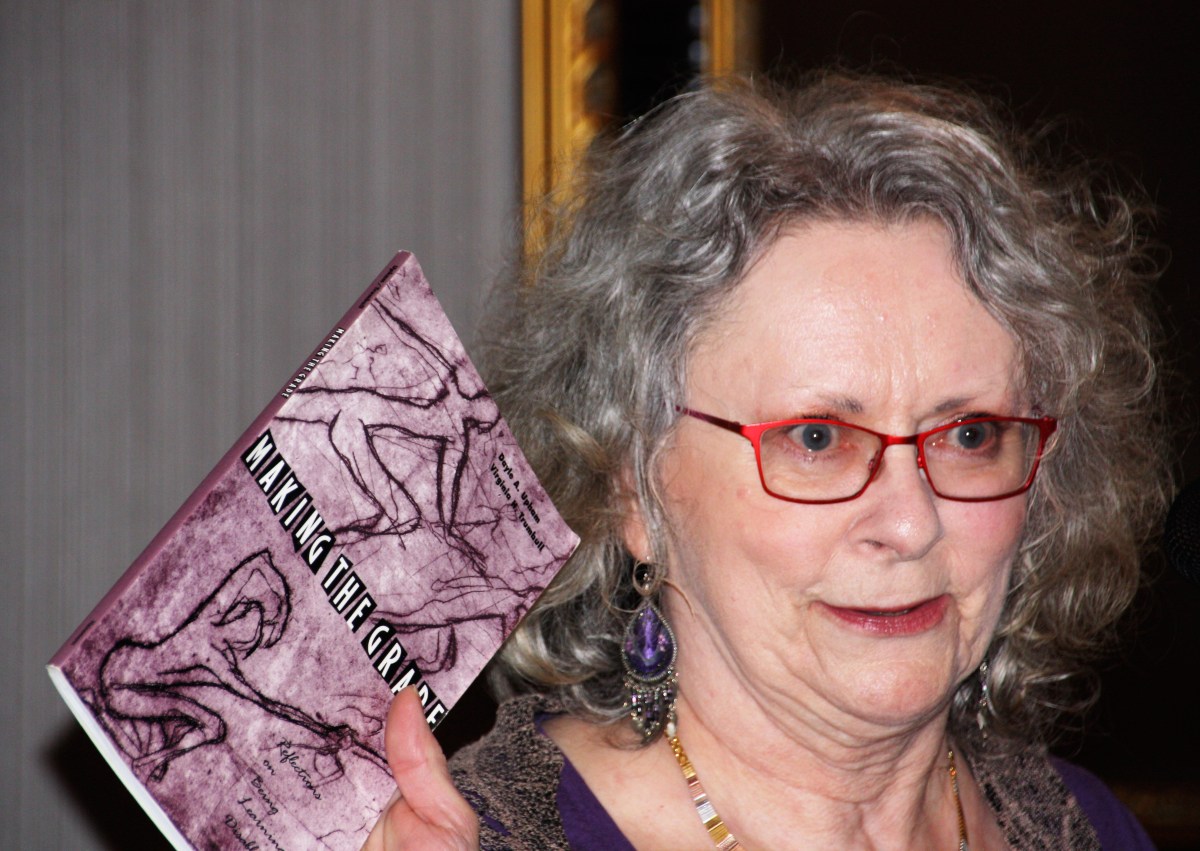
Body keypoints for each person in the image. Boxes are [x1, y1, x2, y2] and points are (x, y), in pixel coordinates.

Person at [362, 72, 1171, 849]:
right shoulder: (478, 840)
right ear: (634, 488)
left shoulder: (1087, 826)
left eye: (969, 435)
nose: (910, 523)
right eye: (816, 438)